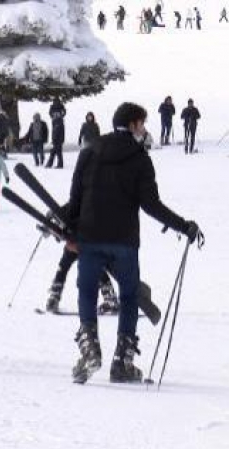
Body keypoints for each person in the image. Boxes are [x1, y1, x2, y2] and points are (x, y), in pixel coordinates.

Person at [66, 101, 202, 384]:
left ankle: (90, 348)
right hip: (124, 241)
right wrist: (183, 226)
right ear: (132, 125)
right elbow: (151, 205)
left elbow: (76, 198)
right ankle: (122, 362)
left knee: (87, 292)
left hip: (89, 237)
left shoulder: (90, 151)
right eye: (142, 123)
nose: (144, 128)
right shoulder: (140, 158)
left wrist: (68, 232)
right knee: (128, 297)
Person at [47, 97, 66, 168]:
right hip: (58, 139)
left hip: (57, 139)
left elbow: (57, 132)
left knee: (55, 151)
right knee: (57, 151)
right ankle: (54, 164)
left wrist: (55, 139)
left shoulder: (58, 121)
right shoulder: (57, 121)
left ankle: (50, 164)